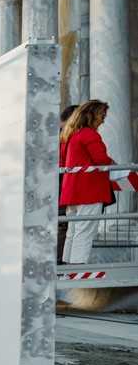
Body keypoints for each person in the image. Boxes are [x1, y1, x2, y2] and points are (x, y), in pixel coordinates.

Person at [59, 100, 114, 265]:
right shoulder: (90, 134)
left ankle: (68, 269)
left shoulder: (69, 135)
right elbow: (101, 160)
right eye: (102, 115)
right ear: (91, 115)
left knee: (73, 231)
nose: (103, 120)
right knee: (85, 231)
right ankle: (78, 270)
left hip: (72, 191)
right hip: (89, 191)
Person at [57, 104, 78, 263]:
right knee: (63, 224)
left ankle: (61, 262)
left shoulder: (58, 133)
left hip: (59, 185)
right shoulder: (65, 135)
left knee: (63, 224)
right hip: (60, 186)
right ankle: (60, 262)